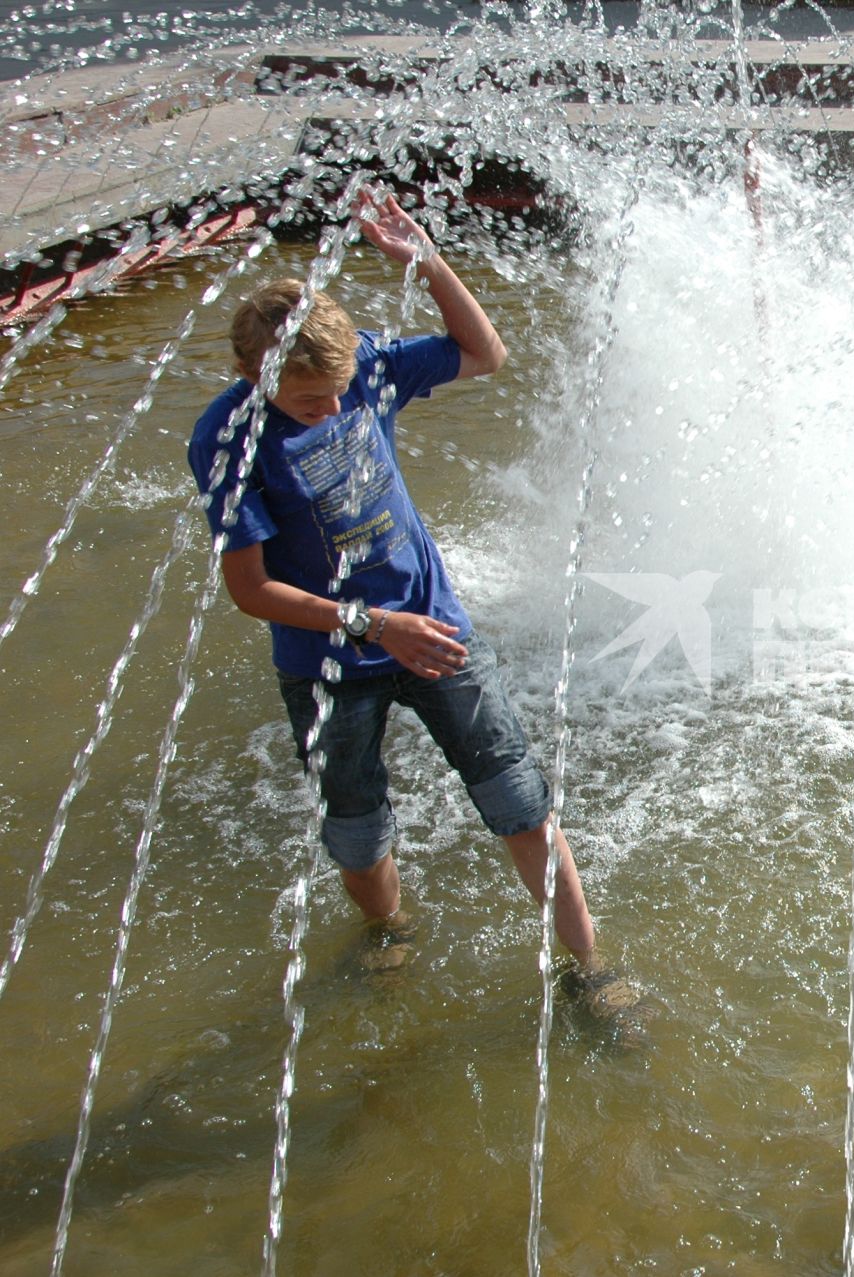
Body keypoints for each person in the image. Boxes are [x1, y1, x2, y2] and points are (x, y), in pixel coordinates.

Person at [187, 190, 634, 1020]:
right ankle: (391, 930)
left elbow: (485, 353)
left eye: (338, 393)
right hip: (330, 661)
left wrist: (427, 262)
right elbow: (249, 591)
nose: (332, 409)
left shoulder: (362, 366)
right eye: (310, 403)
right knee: (357, 829)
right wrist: (372, 626)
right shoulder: (228, 439)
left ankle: (590, 968)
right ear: (257, 377)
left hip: (434, 631)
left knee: (521, 801)